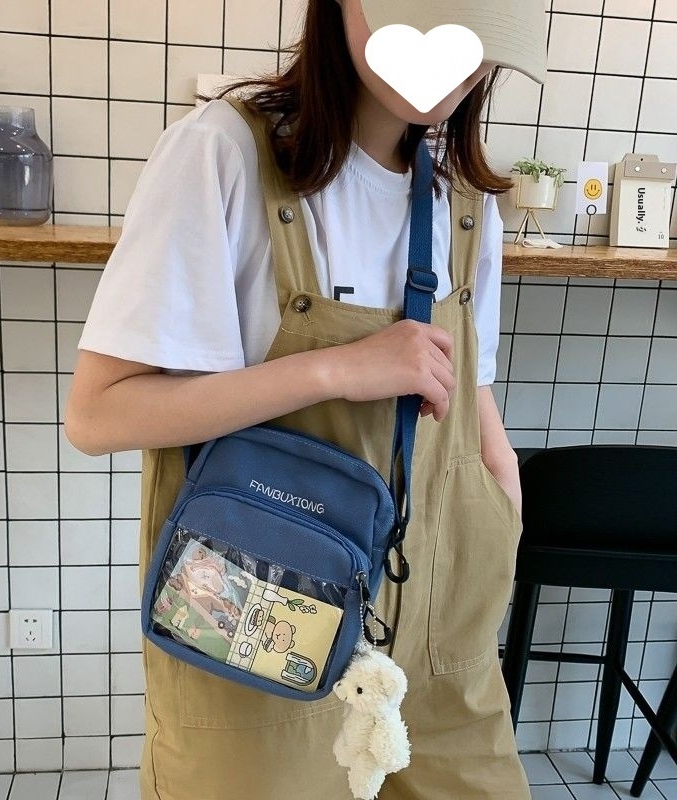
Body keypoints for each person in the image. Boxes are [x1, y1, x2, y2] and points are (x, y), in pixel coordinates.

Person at [65, 0, 547, 796]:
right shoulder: (222, 153)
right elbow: (98, 413)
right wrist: (335, 370)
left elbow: (472, 390)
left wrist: (502, 509)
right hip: (268, 610)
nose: (448, 60)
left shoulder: (463, 197)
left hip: (444, 610)